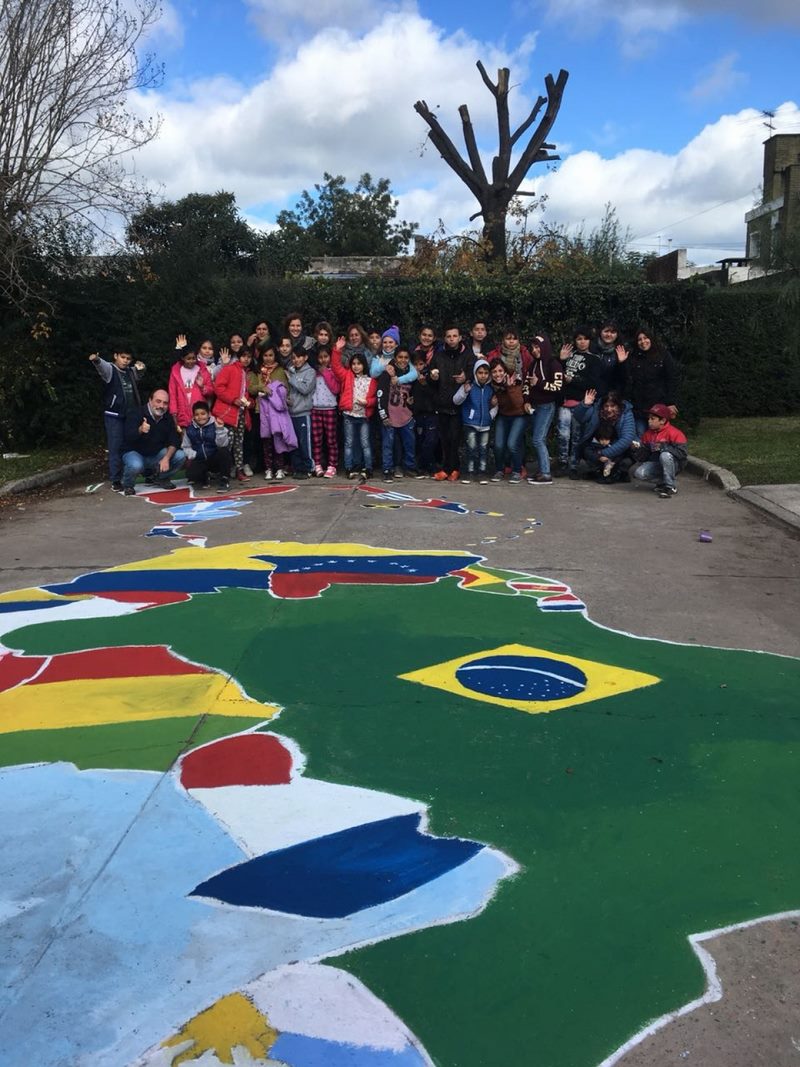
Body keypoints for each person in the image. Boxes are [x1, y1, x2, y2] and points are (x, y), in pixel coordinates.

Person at [89, 345, 145, 493]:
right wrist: (96, 359)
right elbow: (101, 366)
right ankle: (115, 479)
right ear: (116, 356)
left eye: (128, 358)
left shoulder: (130, 371)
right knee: (115, 447)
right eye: (123, 357)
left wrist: (141, 367)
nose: (125, 361)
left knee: (134, 442)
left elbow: (140, 371)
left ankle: (136, 472)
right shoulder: (111, 370)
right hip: (114, 415)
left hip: (130, 415)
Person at [121, 388, 185, 495]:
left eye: (165, 403)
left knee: (180, 455)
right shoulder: (136, 413)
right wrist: (140, 430)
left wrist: (166, 458)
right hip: (134, 452)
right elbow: (127, 437)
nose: (161, 406)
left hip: (155, 455)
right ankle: (128, 485)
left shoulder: (167, 417)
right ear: (150, 401)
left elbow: (174, 440)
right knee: (136, 465)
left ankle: (161, 478)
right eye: (158, 401)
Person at [556, 327, 602, 479]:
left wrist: (573, 380)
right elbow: (556, 375)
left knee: (577, 436)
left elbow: (592, 383)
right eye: (579, 339)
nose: (582, 342)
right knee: (563, 434)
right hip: (565, 401)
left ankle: (574, 466)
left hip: (581, 404)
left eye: (585, 339)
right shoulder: (569, 355)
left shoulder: (595, 359)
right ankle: (562, 462)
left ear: (590, 341)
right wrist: (561, 360)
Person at [429, 325, 471, 481]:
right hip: (442, 403)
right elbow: (429, 375)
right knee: (444, 439)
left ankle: (454, 469)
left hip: (459, 405)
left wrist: (466, 376)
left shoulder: (467, 354)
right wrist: (432, 377)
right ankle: (447, 468)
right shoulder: (438, 356)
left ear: (460, 338)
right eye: (449, 336)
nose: (452, 339)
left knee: (455, 439)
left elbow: (476, 371)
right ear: (445, 338)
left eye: (455, 336)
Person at [622, 328, 679, 435]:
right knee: (641, 435)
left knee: (659, 436)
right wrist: (622, 363)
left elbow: (671, 378)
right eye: (639, 339)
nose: (643, 342)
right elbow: (626, 379)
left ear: (651, 338)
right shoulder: (633, 357)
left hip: (658, 405)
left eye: (646, 338)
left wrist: (670, 402)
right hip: (639, 406)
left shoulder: (663, 354)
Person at [333, 340, 377, 478]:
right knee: (349, 443)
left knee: (365, 443)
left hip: (364, 416)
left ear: (364, 365)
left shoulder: (371, 380)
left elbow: (375, 399)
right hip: (349, 415)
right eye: (353, 364)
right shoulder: (347, 376)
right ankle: (349, 468)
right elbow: (336, 366)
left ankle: (368, 468)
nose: (356, 366)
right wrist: (337, 350)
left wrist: (367, 402)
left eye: (359, 364)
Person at [525, 333, 563, 485]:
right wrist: (526, 400)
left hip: (547, 406)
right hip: (534, 406)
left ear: (544, 346)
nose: (534, 350)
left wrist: (539, 383)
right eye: (532, 348)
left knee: (538, 439)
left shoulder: (554, 364)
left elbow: (558, 387)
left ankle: (546, 473)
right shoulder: (533, 364)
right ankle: (542, 470)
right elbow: (527, 384)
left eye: (537, 347)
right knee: (537, 439)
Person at [574, 388, 636, 482]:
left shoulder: (626, 414)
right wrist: (585, 405)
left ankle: (618, 472)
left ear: (619, 406)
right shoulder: (596, 409)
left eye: (612, 406)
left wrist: (604, 454)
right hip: (597, 446)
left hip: (616, 449)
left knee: (626, 456)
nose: (609, 409)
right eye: (606, 406)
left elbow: (626, 440)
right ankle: (598, 471)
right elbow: (579, 418)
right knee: (587, 450)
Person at [631, 403, 688, 497]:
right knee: (638, 473)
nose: (649, 421)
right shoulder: (647, 434)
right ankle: (663, 482)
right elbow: (643, 458)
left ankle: (670, 486)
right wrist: (637, 450)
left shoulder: (675, 433)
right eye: (649, 418)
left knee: (665, 455)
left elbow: (683, 454)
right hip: (656, 463)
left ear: (663, 420)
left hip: (675, 464)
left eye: (653, 419)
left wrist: (663, 447)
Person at [212, 347, 252, 481]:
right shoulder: (229, 369)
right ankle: (223, 471)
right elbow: (218, 388)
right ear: (238, 357)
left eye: (249, 357)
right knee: (226, 444)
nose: (246, 359)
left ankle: (239, 470)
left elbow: (244, 393)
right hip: (227, 412)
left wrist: (248, 402)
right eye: (244, 356)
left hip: (240, 413)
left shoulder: (246, 373)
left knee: (239, 442)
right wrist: (233, 399)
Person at [376, 346, 416, 480]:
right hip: (390, 416)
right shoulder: (387, 373)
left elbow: (415, 394)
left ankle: (409, 467)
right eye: (400, 357)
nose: (403, 360)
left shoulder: (411, 374)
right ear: (395, 358)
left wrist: (413, 403)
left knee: (409, 442)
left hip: (406, 415)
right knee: (388, 444)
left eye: (406, 358)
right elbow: (380, 395)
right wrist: (383, 415)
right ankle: (387, 469)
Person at [454, 358, 496, 483]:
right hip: (470, 423)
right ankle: (469, 472)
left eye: (485, 373)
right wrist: (464, 392)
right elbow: (456, 400)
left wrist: (490, 416)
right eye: (480, 373)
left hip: (485, 425)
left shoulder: (490, 389)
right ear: (475, 373)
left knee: (483, 450)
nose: (483, 376)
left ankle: (482, 472)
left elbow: (495, 405)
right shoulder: (469, 386)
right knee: (471, 448)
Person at [258, 360, 296, 482]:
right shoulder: (259, 373)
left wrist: (274, 392)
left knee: (279, 445)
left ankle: (279, 468)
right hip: (265, 418)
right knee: (267, 446)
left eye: (271, 355)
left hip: (277, 421)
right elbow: (252, 387)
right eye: (266, 356)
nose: (268, 358)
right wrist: (262, 388)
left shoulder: (279, 380)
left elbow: (284, 395)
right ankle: (268, 468)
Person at [490, 358, 527, 483]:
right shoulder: (492, 386)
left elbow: (518, 404)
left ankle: (517, 470)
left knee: (512, 444)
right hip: (503, 415)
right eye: (494, 372)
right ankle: (499, 470)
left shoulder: (514, 381)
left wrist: (510, 388)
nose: (497, 374)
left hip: (518, 415)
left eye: (500, 371)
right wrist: (492, 404)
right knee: (498, 445)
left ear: (505, 371)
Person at [181, 401, 232, 492]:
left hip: (214, 458)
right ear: (193, 416)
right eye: (197, 414)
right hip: (199, 459)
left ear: (209, 414)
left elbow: (223, 444)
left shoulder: (216, 425)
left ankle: (224, 479)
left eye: (203, 414)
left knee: (224, 452)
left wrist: (220, 429)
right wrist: (193, 454)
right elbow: (185, 446)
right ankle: (205, 476)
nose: (200, 417)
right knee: (192, 475)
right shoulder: (190, 429)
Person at [168, 341, 214, 431]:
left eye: (194, 358)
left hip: (200, 414)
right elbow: (172, 394)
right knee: (185, 443)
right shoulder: (175, 372)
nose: (191, 361)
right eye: (188, 359)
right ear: (182, 358)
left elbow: (211, 391)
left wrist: (202, 387)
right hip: (182, 414)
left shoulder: (203, 370)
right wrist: (174, 412)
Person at [285, 346, 316, 478]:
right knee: (293, 442)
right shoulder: (290, 371)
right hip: (290, 413)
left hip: (303, 413)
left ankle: (308, 467)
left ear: (305, 357)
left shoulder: (310, 372)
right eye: (293, 357)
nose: (296, 360)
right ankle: (297, 467)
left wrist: (292, 378)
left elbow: (305, 389)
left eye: (299, 357)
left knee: (304, 442)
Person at [311, 346, 340, 477]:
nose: (323, 360)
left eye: (326, 357)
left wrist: (325, 372)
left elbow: (336, 389)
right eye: (320, 357)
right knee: (317, 440)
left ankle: (332, 465)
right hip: (315, 409)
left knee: (331, 440)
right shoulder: (313, 372)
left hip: (330, 408)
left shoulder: (333, 371)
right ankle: (317, 464)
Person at [410, 353, 439, 478]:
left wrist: (425, 384)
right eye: (415, 364)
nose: (418, 367)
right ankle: (421, 467)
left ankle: (431, 466)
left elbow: (435, 394)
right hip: (417, 414)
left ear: (425, 364)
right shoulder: (410, 377)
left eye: (421, 364)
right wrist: (409, 403)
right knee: (420, 441)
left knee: (431, 441)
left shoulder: (430, 376)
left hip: (431, 413)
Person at [591, 320, 627, 396]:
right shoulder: (590, 348)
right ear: (600, 332)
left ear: (617, 335)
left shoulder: (621, 351)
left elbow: (623, 380)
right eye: (606, 331)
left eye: (613, 332)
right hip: (589, 395)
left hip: (609, 397)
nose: (609, 334)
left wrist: (621, 363)